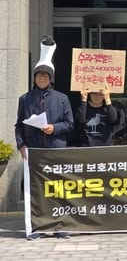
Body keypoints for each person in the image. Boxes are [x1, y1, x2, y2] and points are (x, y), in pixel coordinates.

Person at [15, 36, 73, 240]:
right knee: (36, 190)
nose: (41, 78)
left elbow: (70, 124)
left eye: (45, 75)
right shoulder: (25, 99)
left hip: (56, 149)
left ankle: (60, 225)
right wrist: (21, 145)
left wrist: (53, 128)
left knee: (58, 188)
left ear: (51, 78)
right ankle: (37, 226)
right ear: (34, 78)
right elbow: (19, 125)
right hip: (34, 151)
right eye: (39, 75)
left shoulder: (62, 99)